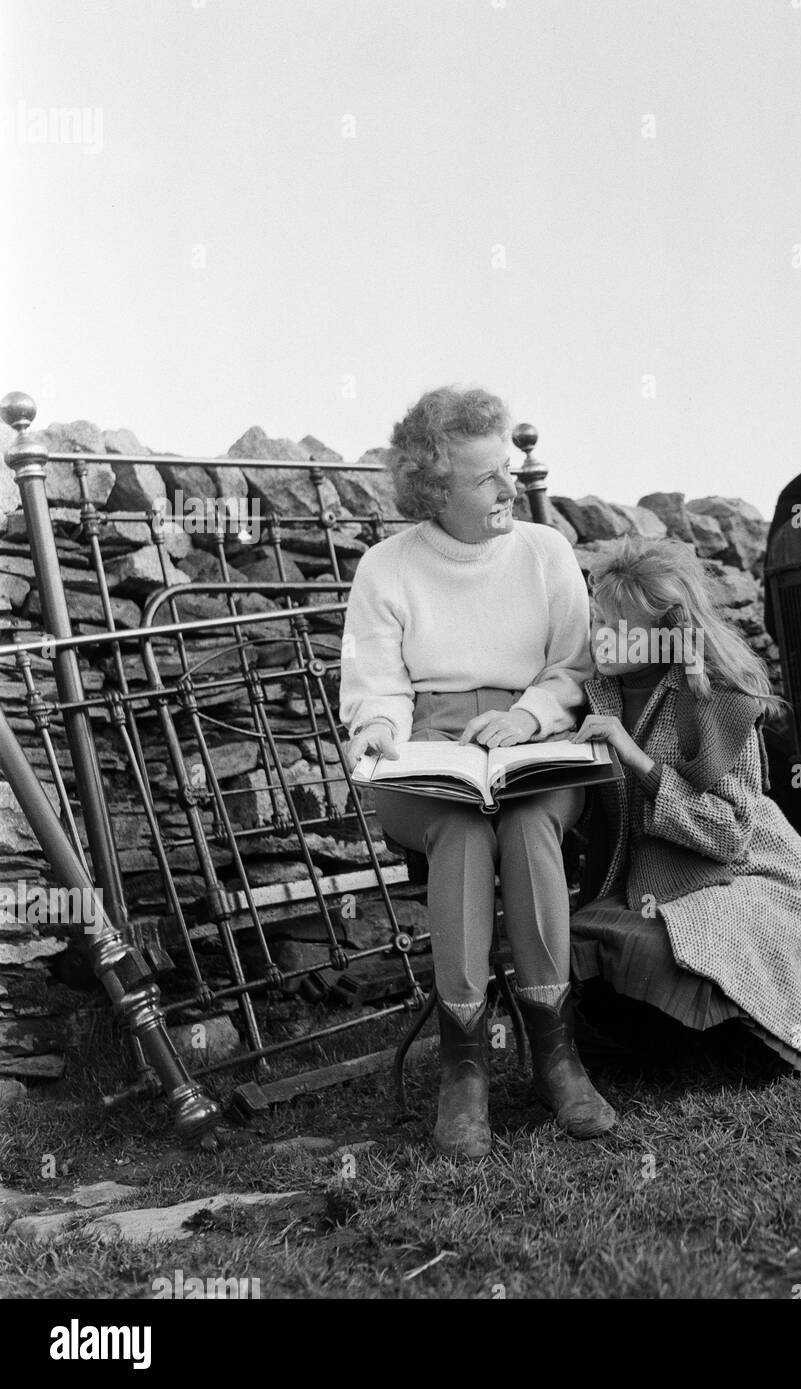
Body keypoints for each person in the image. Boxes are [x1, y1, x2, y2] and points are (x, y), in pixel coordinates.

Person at [340, 386, 614, 1158]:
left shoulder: (545, 552)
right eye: (485, 476)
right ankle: (464, 1074)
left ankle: (558, 1060)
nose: (506, 488)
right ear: (436, 489)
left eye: (507, 469)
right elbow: (375, 687)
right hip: (428, 756)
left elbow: (575, 668)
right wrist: (385, 730)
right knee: (459, 828)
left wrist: (527, 715)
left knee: (527, 825)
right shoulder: (385, 569)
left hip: (537, 748)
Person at [569, 537, 801, 1074]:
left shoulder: (715, 697)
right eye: (597, 621)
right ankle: (673, 1044)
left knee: (663, 947)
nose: (599, 636)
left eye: (616, 627)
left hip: (742, 877)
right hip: (653, 879)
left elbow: (730, 835)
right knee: (581, 941)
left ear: (665, 635)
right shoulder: (598, 694)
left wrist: (640, 762)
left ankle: (732, 1043)